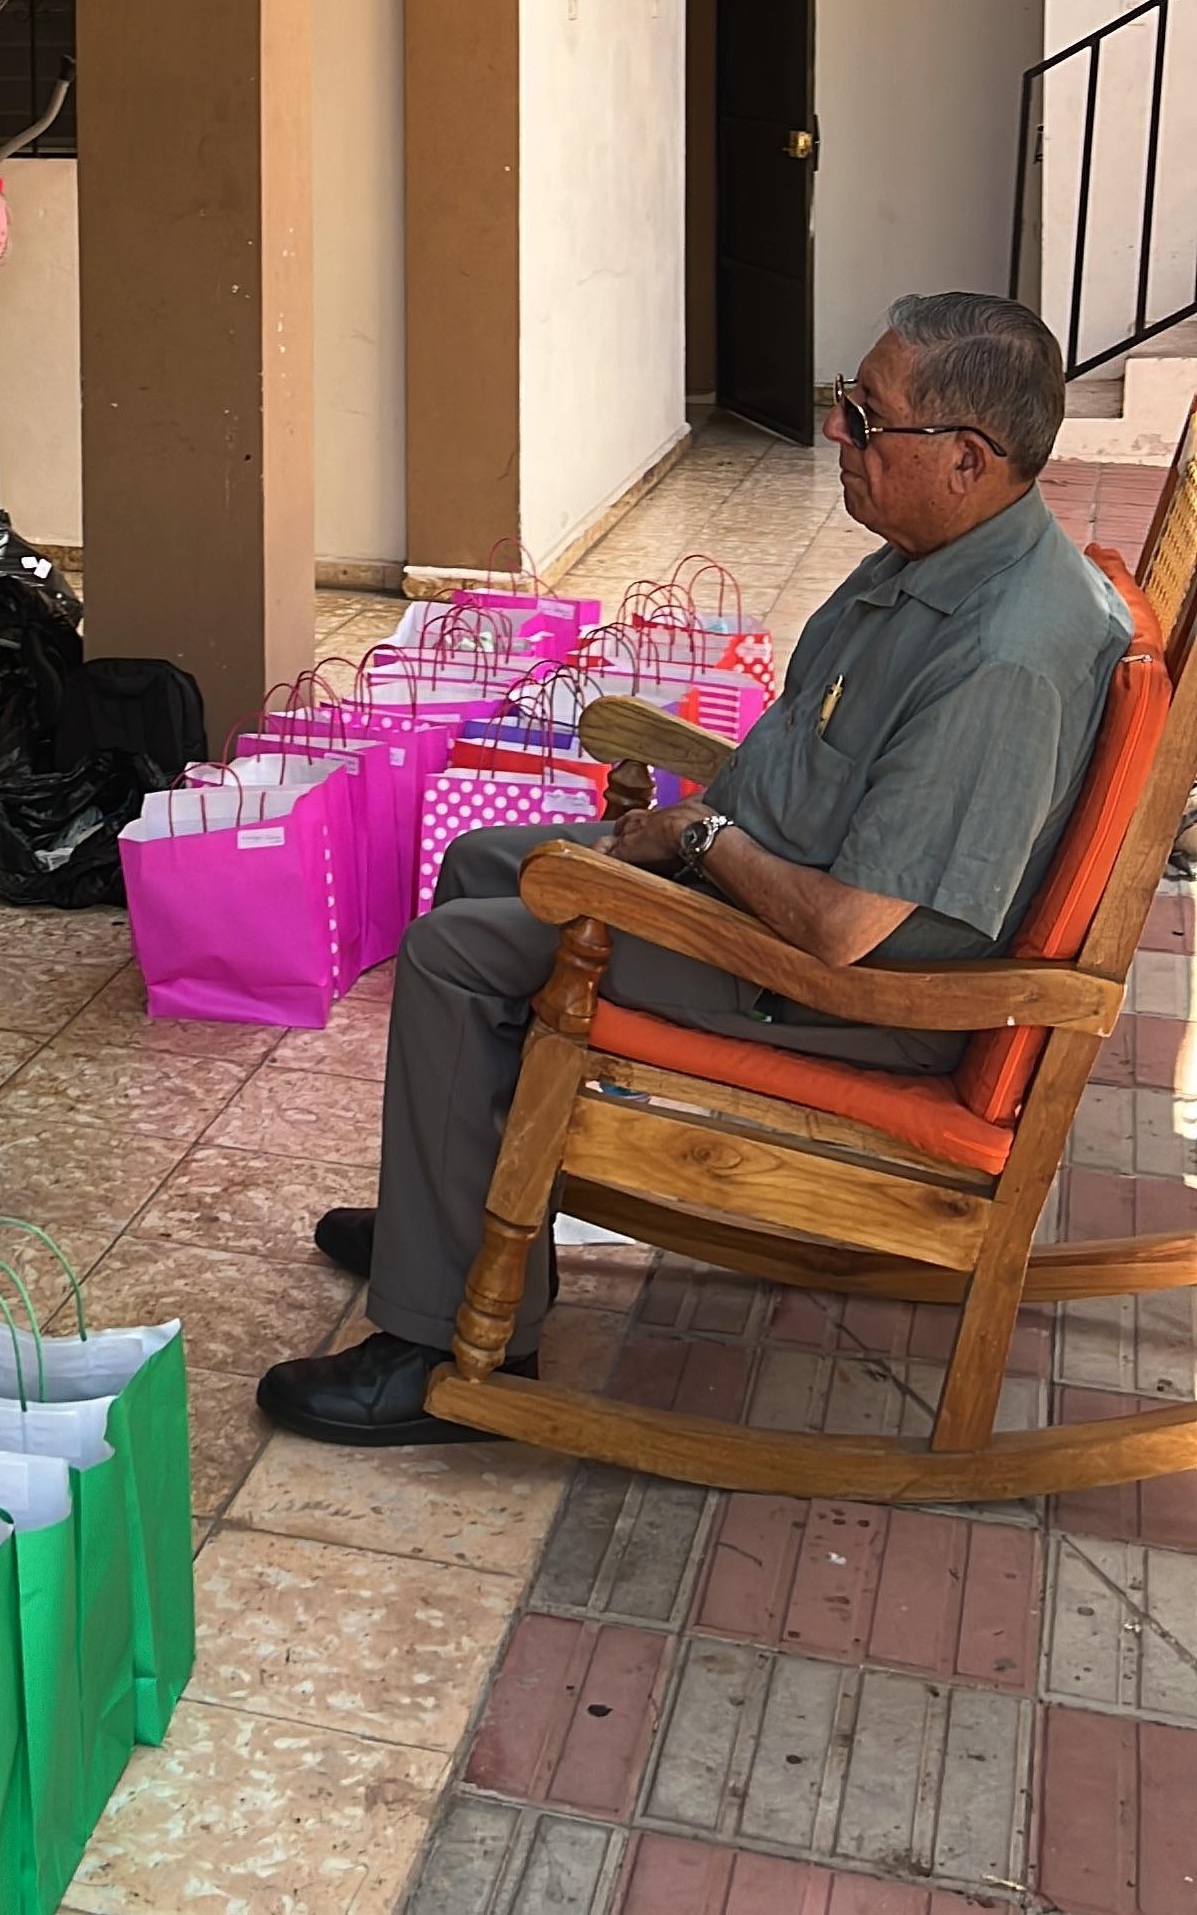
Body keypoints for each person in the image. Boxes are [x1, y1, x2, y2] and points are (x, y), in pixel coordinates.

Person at [256, 291, 1132, 1449]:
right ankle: (451, 1229)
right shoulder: (938, 559)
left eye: (869, 417)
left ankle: (448, 1350)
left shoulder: (1004, 655)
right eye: (848, 402)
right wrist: (698, 830)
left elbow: (848, 932)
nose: (839, 431)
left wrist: (697, 839)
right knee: (482, 862)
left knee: (458, 955)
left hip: (848, 991)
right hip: (779, 899)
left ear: (968, 459)